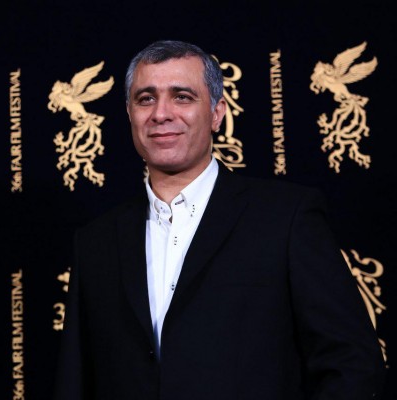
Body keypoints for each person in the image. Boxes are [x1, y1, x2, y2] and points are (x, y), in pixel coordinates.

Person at [53, 39, 386, 400]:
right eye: (146, 99)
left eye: (182, 97)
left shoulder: (286, 218)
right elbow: (75, 381)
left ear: (216, 113)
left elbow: (351, 364)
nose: (161, 113)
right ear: (130, 114)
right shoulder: (96, 241)